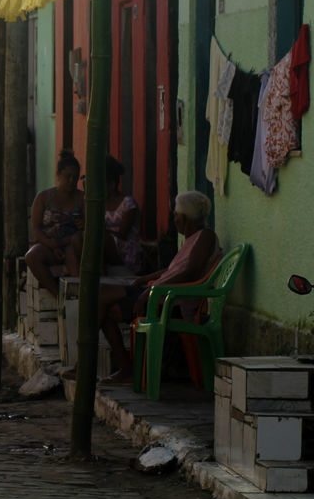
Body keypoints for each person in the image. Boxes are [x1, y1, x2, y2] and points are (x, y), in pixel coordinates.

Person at [80, 191, 221, 385]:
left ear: (183, 218)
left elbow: (190, 271)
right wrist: (146, 279)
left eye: (175, 215)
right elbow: (174, 269)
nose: (173, 219)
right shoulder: (192, 239)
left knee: (104, 309)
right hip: (160, 292)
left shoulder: (205, 236)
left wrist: (150, 291)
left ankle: (115, 367)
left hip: (170, 300)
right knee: (98, 296)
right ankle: (118, 368)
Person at [25, 152, 84, 298]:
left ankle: (76, 299)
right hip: (49, 244)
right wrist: (52, 245)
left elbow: (88, 227)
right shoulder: (44, 197)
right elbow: (36, 228)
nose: (71, 180)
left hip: (72, 245)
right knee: (31, 257)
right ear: (58, 175)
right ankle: (57, 295)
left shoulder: (82, 198)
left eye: (75, 177)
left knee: (72, 258)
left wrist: (83, 224)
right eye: (67, 176)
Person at [104, 156, 143, 272]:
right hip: (105, 249)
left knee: (102, 238)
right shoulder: (98, 204)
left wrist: (101, 232)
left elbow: (122, 234)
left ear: (111, 184)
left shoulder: (128, 204)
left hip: (125, 253)